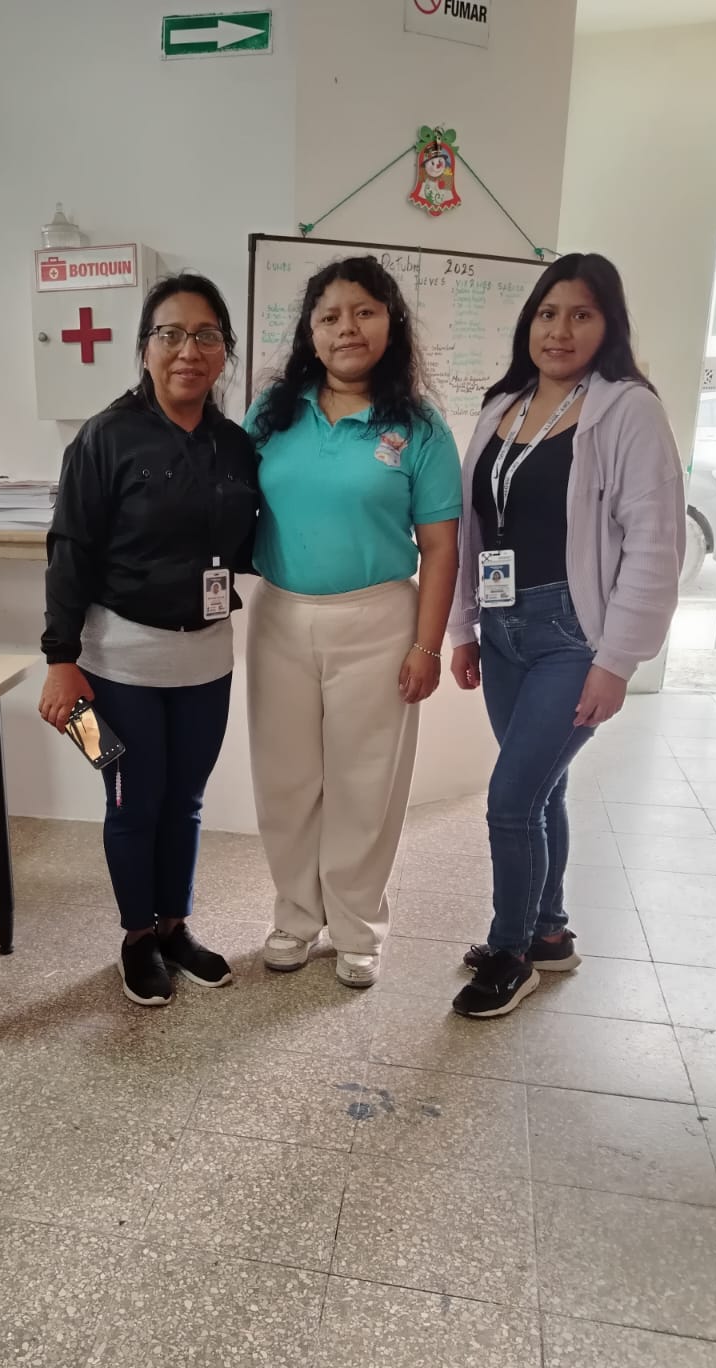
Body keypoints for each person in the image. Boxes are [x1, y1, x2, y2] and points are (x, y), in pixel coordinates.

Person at [447, 252, 684, 1019]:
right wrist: (463, 626)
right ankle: (548, 933)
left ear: (608, 324)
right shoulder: (503, 403)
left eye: (581, 314)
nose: (560, 329)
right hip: (502, 625)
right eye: (548, 313)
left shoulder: (628, 409)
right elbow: (473, 526)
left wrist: (617, 661)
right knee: (543, 787)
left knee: (510, 799)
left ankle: (509, 951)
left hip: (571, 632)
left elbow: (655, 542)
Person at [38, 273, 258, 1007]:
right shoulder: (104, 437)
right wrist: (60, 662)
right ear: (145, 348)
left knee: (185, 801)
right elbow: (68, 550)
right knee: (130, 800)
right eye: (171, 334)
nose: (188, 350)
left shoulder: (235, 446)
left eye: (206, 335)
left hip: (208, 662)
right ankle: (137, 938)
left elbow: (251, 545)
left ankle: (173, 926)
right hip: (111, 665)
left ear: (224, 351)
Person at [245, 255, 462, 987]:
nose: (348, 328)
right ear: (309, 332)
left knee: (366, 781)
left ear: (390, 324)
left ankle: (358, 926)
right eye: (330, 316)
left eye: (365, 311)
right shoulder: (272, 415)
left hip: (379, 620)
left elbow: (440, 547)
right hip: (280, 616)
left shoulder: (419, 427)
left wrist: (427, 645)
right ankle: (294, 916)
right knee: (285, 778)